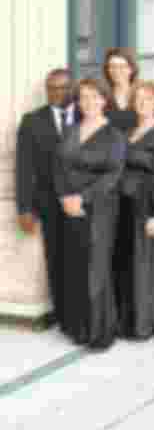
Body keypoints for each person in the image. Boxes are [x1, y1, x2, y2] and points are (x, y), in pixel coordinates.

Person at [54, 78, 126, 350]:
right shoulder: (70, 131)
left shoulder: (114, 135)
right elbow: (58, 167)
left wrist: (82, 198)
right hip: (69, 207)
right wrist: (64, 197)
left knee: (96, 266)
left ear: (104, 100)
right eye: (83, 97)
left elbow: (113, 175)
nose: (89, 102)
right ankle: (78, 327)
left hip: (100, 207)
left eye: (94, 96)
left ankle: (99, 331)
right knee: (75, 264)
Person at [115, 81, 154, 340]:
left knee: (145, 266)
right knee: (128, 264)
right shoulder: (128, 132)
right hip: (124, 205)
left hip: (146, 205)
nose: (142, 103)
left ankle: (144, 325)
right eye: (138, 98)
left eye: (148, 99)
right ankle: (127, 321)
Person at [16, 69, 75, 325]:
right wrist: (24, 208)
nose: (56, 93)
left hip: (85, 202)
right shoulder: (32, 121)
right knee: (56, 261)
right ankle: (63, 316)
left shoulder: (86, 115)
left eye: (62, 87)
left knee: (83, 258)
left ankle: (83, 314)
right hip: (49, 204)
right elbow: (24, 167)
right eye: (51, 88)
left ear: (71, 88)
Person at [103, 48, 139, 134]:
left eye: (122, 66)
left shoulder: (141, 95)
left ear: (131, 69)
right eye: (112, 66)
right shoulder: (102, 98)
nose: (116, 71)